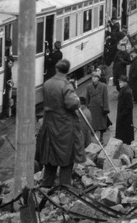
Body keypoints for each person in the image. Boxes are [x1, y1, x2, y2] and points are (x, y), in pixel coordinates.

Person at [37, 60, 81, 188]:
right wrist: (77, 99)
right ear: (67, 71)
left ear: (56, 69)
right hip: (63, 126)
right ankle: (65, 186)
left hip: (49, 123)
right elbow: (72, 103)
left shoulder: (47, 83)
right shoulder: (65, 85)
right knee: (67, 158)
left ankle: (46, 185)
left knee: (50, 157)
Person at [85, 70, 110, 141]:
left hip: (100, 108)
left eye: (95, 77)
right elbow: (87, 98)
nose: (93, 78)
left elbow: (105, 98)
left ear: (98, 78)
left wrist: (106, 108)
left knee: (101, 125)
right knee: (93, 125)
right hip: (92, 108)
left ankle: (101, 138)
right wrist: (87, 108)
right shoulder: (88, 87)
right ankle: (92, 139)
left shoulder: (103, 86)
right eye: (92, 77)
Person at [115, 75, 135, 145]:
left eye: (120, 82)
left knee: (125, 136)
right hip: (123, 117)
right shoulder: (124, 90)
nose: (119, 84)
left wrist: (122, 115)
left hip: (125, 119)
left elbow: (129, 106)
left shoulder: (127, 92)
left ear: (124, 82)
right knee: (123, 135)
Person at [74, 96, 94, 164]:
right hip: (87, 136)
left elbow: (81, 129)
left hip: (84, 138)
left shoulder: (82, 114)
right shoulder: (87, 111)